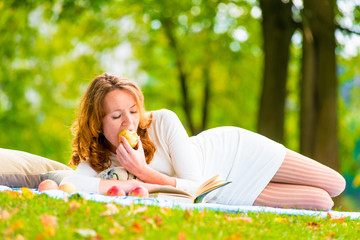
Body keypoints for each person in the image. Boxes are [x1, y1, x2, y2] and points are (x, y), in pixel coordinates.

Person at [62, 73, 346, 211]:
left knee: (336, 184)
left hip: (235, 152)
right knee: (322, 202)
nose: (129, 123)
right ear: (97, 122)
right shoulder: (98, 159)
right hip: (221, 190)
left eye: (133, 111)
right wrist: (128, 183)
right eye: (116, 116)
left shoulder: (162, 122)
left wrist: (143, 173)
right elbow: (73, 184)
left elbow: (193, 180)